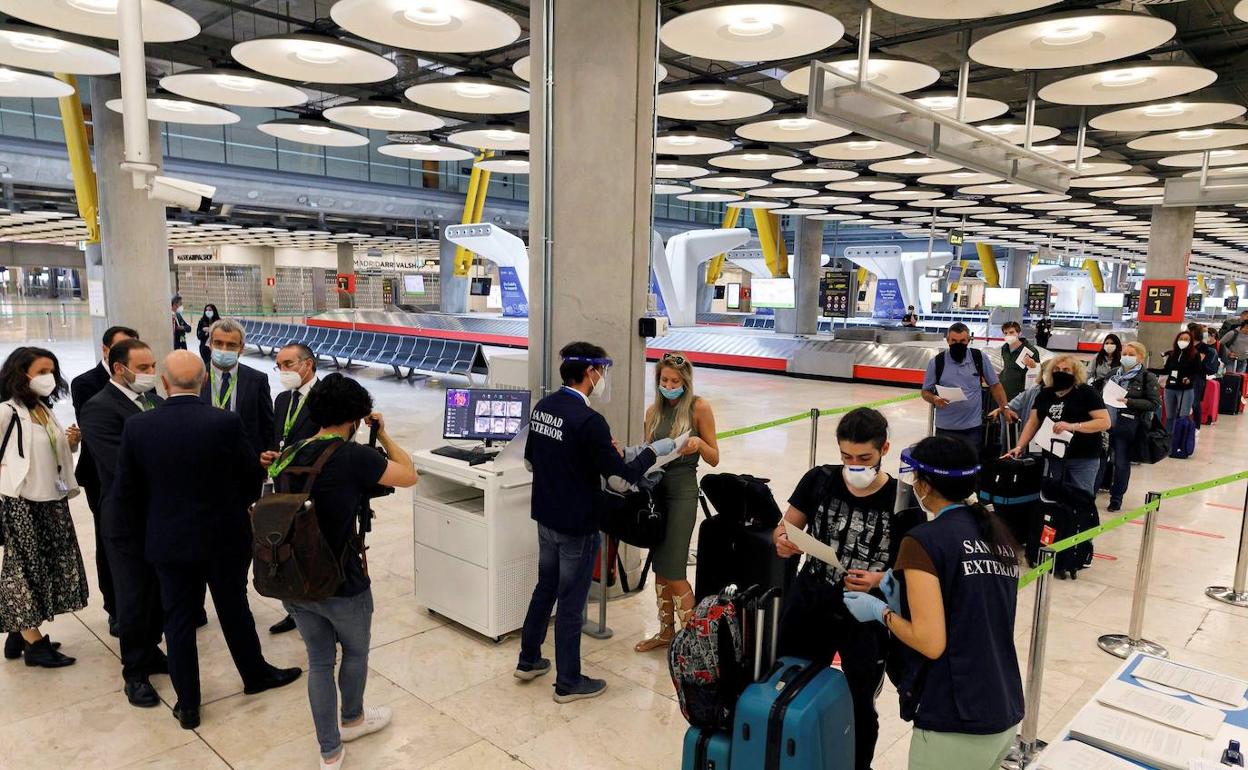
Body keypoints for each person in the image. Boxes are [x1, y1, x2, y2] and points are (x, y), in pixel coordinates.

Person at [111, 351, 301, 729]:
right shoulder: (224, 422)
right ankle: (255, 675)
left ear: (165, 383)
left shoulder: (139, 427)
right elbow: (250, 475)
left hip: (168, 539)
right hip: (223, 536)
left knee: (178, 620)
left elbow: (128, 489)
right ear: (202, 383)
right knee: (234, 608)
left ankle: (189, 703)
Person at [843, 436, 1023, 770]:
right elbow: (971, 608)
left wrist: (881, 612)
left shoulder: (923, 540)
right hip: (1003, 705)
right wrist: (905, 602)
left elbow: (930, 642)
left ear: (924, 485)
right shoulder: (996, 534)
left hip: (955, 718)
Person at [271, 373, 417, 770]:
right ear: (355, 417)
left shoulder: (290, 453)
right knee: (354, 651)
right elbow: (409, 473)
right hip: (341, 581)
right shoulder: (353, 456)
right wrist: (383, 435)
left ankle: (330, 752)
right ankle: (352, 718)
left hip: (293, 576)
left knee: (319, 661)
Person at [516, 341, 672, 703]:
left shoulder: (545, 407)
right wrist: (653, 452)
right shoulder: (589, 420)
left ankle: (529, 659)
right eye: (601, 371)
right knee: (571, 602)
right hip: (578, 525)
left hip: (546, 517)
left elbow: (532, 460)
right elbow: (620, 480)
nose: (602, 378)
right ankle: (568, 682)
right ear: (590, 373)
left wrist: (588, 458)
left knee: (545, 588)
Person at [771, 407, 922, 769]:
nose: (854, 466)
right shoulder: (819, 480)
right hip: (811, 602)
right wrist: (784, 541)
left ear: (884, 449)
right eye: (846, 457)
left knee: (859, 703)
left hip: (865, 615)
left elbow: (912, 571)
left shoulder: (903, 499)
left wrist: (878, 579)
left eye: (864, 458)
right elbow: (784, 528)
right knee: (793, 685)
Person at [79, 339, 166, 707]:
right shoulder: (99, 409)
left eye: (151, 366)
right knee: (132, 596)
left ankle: (152, 650)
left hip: (160, 515)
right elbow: (121, 467)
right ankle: (135, 672)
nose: (150, 374)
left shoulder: (154, 401)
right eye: (143, 368)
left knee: (157, 592)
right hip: (126, 518)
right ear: (119, 369)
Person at [0, 347, 87, 667]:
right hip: (21, 502)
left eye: (51, 370)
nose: (48, 377)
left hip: (51, 498)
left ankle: (20, 630)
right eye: (40, 371)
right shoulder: (6, 412)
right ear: (20, 375)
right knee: (24, 569)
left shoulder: (43, 409)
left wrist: (71, 443)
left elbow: (49, 452)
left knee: (47, 565)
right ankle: (34, 645)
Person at [634, 352, 719, 654]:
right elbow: (647, 454)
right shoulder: (652, 412)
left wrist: (698, 444)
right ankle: (666, 632)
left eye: (674, 381)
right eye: (663, 380)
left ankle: (698, 642)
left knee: (675, 568)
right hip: (657, 493)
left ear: (686, 382)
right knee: (660, 566)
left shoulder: (699, 408)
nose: (668, 385)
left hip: (683, 492)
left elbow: (714, 457)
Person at [70, 324, 138, 637]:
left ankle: (140, 603)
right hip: (101, 473)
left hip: (138, 472)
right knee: (107, 539)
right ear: (106, 350)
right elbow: (98, 428)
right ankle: (114, 607)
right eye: (121, 347)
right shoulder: (86, 384)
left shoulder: (139, 381)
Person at [263, 342, 320, 637]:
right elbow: (279, 438)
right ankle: (295, 611)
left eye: (288, 364)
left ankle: (320, 613)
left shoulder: (326, 398)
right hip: (283, 485)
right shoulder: (283, 399)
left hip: (313, 487)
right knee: (286, 549)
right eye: (279, 366)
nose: (282, 371)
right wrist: (271, 454)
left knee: (313, 550)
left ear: (307, 364)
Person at [1006, 354, 1110, 495]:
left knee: (1081, 497)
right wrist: (1019, 446)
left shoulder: (1087, 392)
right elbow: (1033, 421)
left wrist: (1073, 426)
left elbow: (1104, 422)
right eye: (1057, 369)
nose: (1060, 372)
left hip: (1083, 456)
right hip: (1054, 455)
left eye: (1066, 370)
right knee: (1055, 496)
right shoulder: (1045, 394)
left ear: (1075, 372)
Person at [921, 323, 1016, 455]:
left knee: (970, 467)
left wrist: (1005, 408)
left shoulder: (979, 358)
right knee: (944, 467)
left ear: (969, 341)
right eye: (953, 341)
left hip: (972, 428)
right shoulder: (937, 362)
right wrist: (934, 398)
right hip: (945, 428)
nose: (957, 344)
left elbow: (995, 385)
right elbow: (925, 391)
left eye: (962, 341)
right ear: (947, 340)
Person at [201, 318, 274, 458]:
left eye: (231, 345)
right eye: (218, 343)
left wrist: (263, 460)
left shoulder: (257, 380)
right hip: (205, 459)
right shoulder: (195, 377)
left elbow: (267, 426)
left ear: (241, 348)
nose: (224, 349)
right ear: (210, 344)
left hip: (245, 463)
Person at [1105, 342, 1160, 513]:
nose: (1126, 357)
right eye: (1125, 353)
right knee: (1101, 460)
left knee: (1121, 462)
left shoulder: (1147, 377)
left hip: (1128, 425)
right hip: (1107, 422)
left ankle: (1116, 498)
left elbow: (1154, 403)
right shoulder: (1114, 374)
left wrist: (1130, 401)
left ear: (1140, 357)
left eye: (1131, 354)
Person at [1160, 329, 1203, 439]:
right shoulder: (1172, 354)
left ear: (1190, 342)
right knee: (1169, 416)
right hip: (1170, 388)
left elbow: (1197, 372)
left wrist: (1189, 379)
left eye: (1186, 339)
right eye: (1181, 339)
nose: (1183, 341)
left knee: (1183, 415)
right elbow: (1166, 370)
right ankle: (1168, 440)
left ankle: (1180, 439)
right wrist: (1149, 371)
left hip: (1185, 389)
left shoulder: (1195, 355)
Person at [996, 321, 1040, 401]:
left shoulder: (1030, 350)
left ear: (1019, 333)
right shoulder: (1004, 349)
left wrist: (1033, 365)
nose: (1008, 335)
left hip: (1020, 392)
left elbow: (1037, 372)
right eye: (1005, 333)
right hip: (1004, 389)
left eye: (1011, 332)